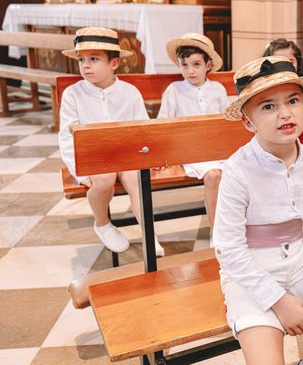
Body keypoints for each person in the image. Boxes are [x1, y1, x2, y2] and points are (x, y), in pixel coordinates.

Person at [212, 56, 303, 365]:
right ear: (247, 122)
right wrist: (278, 301)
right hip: (252, 272)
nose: (285, 113)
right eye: (268, 106)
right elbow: (228, 248)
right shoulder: (237, 170)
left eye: (293, 100)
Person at [58, 27, 164, 256]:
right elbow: (67, 136)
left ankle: (148, 232)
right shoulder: (73, 94)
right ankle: (103, 223)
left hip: (125, 154)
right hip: (92, 156)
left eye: (94, 59)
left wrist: (150, 155)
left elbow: (142, 129)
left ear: (114, 63)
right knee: (104, 179)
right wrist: (81, 171)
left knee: (136, 180)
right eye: (82, 60)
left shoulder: (129, 92)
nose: (85, 65)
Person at [158, 33, 228, 227]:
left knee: (242, 171)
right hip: (190, 150)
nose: (190, 71)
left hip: (216, 149)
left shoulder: (217, 89)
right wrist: (163, 154)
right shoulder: (174, 90)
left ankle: (237, 228)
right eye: (184, 65)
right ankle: (216, 230)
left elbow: (226, 121)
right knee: (213, 175)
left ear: (208, 65)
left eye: (196, 64)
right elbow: (163, 123)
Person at [263, 38, 303, 106]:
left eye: (290, 61)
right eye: (278, 62)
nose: (285, 67)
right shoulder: (264, 90)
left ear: (298, 62)